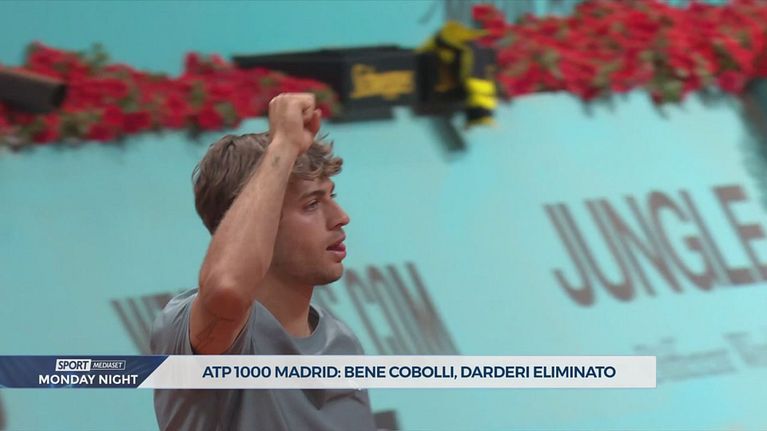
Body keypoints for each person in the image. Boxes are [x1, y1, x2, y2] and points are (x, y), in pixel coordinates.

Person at [150, 93, 377, 430]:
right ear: (258, 219)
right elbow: (227, 287)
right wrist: (283, 145)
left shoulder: (341, 341)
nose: (340, 217)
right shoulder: (194, 328)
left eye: (331, 197)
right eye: (312, 204)